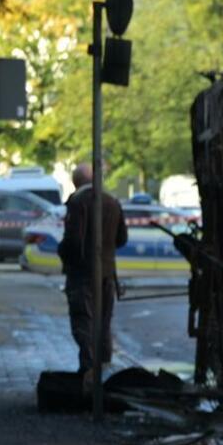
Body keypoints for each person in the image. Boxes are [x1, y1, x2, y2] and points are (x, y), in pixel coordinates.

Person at [61, 162, 128, 384]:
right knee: (103, 325)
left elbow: (73, 242)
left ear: (75, 181)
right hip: (107, 274)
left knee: (83, 322)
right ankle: (105, 373)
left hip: (82, 274)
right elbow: (122, 239)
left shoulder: (78, 202)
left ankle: (89, 374)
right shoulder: (112, 201)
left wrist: (63, 252)